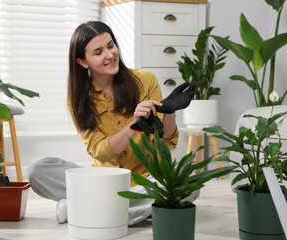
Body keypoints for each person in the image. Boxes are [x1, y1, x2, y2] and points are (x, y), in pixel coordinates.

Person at [28, 21, 196, 226]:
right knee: (37, 169)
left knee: (189, 182)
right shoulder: (77, 99)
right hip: (104, 180)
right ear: (82, 61)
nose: (109, 55)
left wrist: (169, 112)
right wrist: (133, 126)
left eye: (110, 46)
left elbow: (166, 142)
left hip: (148, 179)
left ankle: (80, 208)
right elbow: (99, 151)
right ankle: (132, 210)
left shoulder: (145, 80)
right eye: (98, 52)